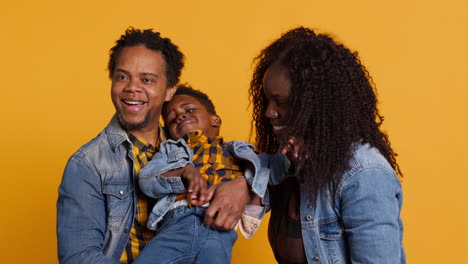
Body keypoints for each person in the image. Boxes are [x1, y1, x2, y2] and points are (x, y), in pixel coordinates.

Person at [57, 28, 253, 264]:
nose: (132, 87)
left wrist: (243, 185)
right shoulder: (87, 164)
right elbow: (79, 258)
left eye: (147, 79)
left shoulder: (188, 146)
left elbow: (268, 178)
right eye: (122, 77)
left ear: (170, 90)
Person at [249, 27, 405, 263]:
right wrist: (239, 184)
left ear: (316, 104)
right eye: (267, 100)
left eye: (281, 102)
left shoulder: (364, 174)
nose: (269, 112)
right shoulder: (289, 162)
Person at [133, 85, 268, 264]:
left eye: (188, 110)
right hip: (177, 223)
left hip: (219, 229)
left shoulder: (241, 153)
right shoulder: (171, 150)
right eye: (171, 119)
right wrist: (183, 172)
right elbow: (147, 180)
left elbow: (270, 175)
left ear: (215, 120)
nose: (180, 116)